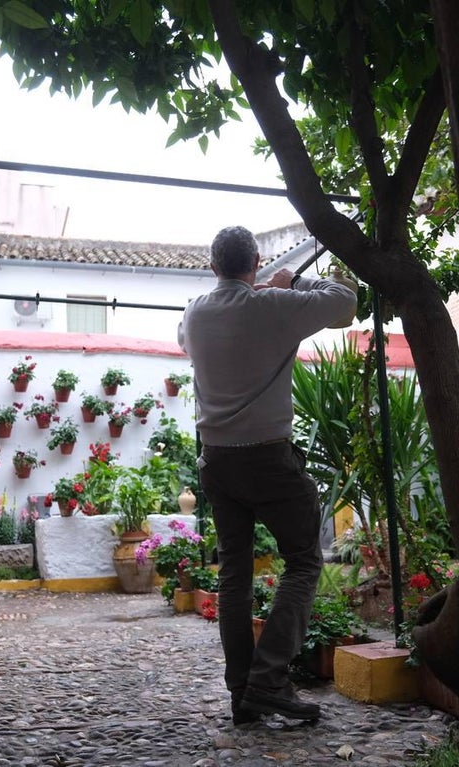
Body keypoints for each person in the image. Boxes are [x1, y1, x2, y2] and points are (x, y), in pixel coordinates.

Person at [178, 225, 357, 724]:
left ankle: (242, 693)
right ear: (255, 261)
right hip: (268, 460)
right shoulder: (275, 308)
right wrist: (290, 285)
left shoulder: (194, 313)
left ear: (213, 266)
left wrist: (260, 289)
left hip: (218, 462)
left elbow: (188, 339)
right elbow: (345, 300)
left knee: (234, 573)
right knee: (302, 561)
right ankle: (269, 680)